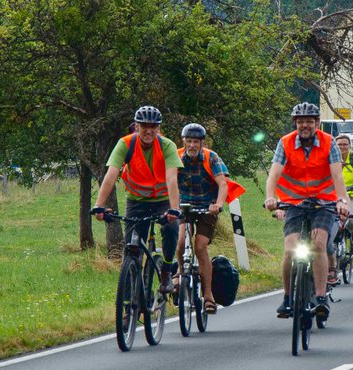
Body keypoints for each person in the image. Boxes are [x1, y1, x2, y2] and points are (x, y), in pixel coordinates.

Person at [264, 102, 351, 320]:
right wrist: (270, 197)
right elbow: (274, 174)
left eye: (309, 122)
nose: (305, 125)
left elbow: (337, 176)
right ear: (295, 123)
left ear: (317, 123)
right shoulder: (284, 143)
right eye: (301, 121)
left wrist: (341, 200)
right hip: (293, 202)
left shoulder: (328, 142)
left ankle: (321, 298)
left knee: (318, 244)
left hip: (323, 201)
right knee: (290, 249)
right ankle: (287, 297)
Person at [92, 105, 183, 293]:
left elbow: (172, 179)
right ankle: (131, 298)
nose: (149, 130)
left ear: (158, 128)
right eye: (144, 126)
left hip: (163, 201)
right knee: (131, 250)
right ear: (136, 126)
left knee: (172, 228)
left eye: (153, 126)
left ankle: (166, 270)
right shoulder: (125, 144)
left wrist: (174, 209)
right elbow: (110, 175)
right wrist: (99, 206)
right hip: (136, 201)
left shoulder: (167, 146)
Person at [174, 123, 245, 314]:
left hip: (207, 207)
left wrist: (218, 205)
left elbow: (223, 183)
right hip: (184, 205)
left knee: (200, 246)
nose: (192, 145)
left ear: (202, 143)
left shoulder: (211, 157)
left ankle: (207, 295)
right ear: (183, 141)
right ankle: (180, 272)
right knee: (180, 241)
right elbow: (168, 180)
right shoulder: (176, 157)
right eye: (188, 141)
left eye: (196, 141)